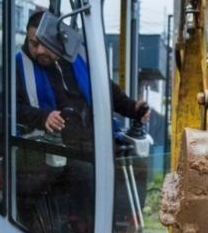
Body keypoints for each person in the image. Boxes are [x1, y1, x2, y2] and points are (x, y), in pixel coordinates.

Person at [15, 10, 150, 137]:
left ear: (58, 39)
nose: (39, 51)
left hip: (93, 143)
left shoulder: (80, 53)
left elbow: (103, 90)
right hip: (50, 149)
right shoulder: (19, 65)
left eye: (45, 43)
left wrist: (132, 108)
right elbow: (9, 108)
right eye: (33, 43)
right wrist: (43, 117)